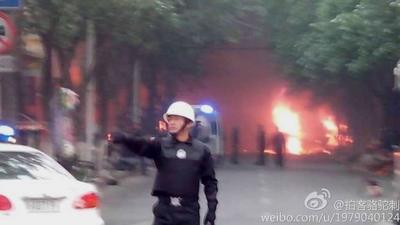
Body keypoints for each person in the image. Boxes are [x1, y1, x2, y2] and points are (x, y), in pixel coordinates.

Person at [111, 101, 218, 225]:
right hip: (164, 211)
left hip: (189, 212)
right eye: (170, 119)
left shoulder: (202, 150)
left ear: (189, 123)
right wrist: (123, 138)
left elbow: (210, 182)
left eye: (176, 119)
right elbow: (140, 144)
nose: (171, 122)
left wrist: (212, 209)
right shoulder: (160, 145)